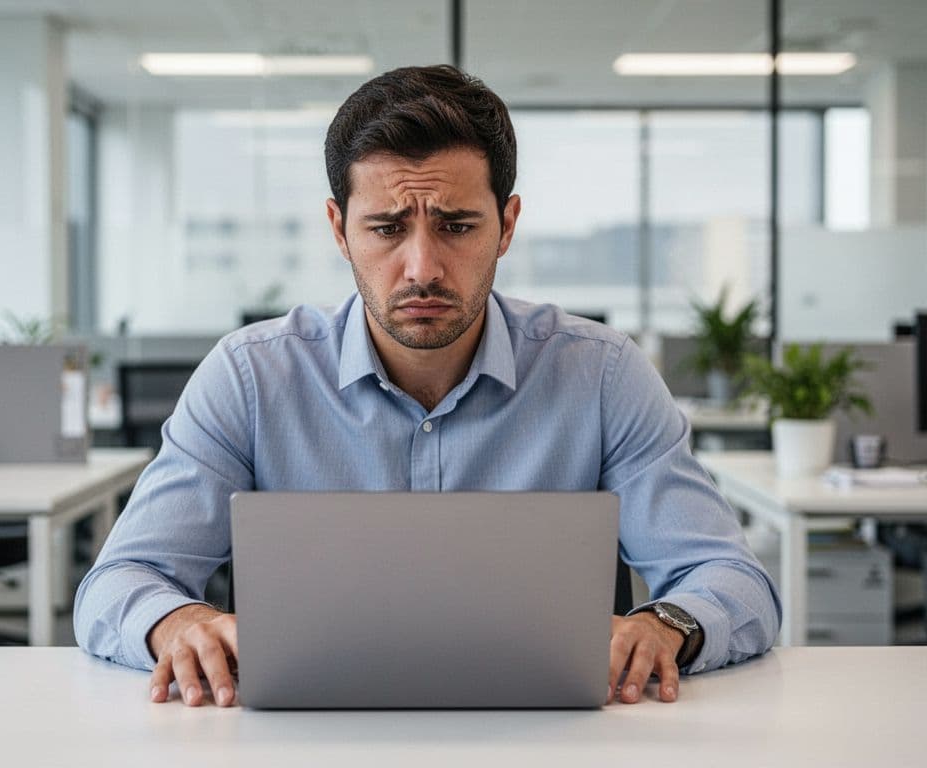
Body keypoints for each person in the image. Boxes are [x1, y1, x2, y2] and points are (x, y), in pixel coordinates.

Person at [74, 65, 780, 708]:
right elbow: (118, 580)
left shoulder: (600, 374)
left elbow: (732, 578)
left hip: (557, 742)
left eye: (456, 226)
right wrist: (176, 620)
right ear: (339, 229)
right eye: (385, 227)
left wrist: (669, 623)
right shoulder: (252, 376)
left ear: (506, 226)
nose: (422, 267)